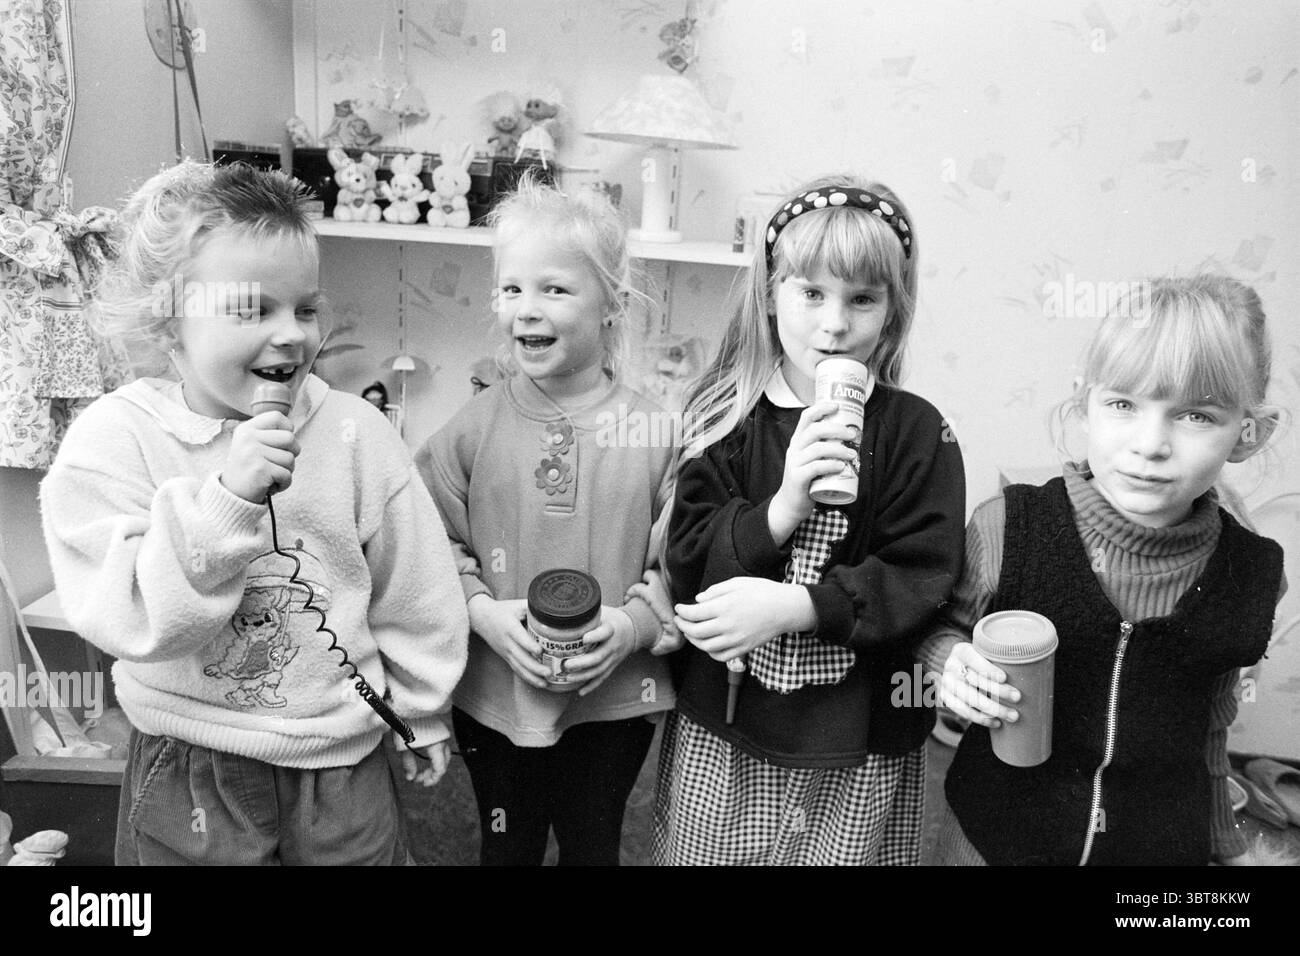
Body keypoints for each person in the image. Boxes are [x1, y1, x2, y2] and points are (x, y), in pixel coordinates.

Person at [40, 162, 468, 865]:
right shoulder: (112, 442)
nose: (292, 335)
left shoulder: (357, 432)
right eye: (252, 310)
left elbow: (412, 581)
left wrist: (422, 705)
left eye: (305, 308)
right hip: (189, 764)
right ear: (169, 319)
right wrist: (225, 506)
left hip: (340, 764)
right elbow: (132, 617)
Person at [920, 276, 1284, 866]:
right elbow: (938, 632)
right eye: (1123, 404)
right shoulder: (1006, 528)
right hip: (988, 843)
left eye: (1195, 415)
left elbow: (1211, 731)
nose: (1150, 443)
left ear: (1248, 434)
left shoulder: (1253, 572)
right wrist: (946, 663)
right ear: (1084, 403)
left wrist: (1228, 849)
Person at [656, 176, 965, 865]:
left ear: (893, 311)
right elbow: (686, 565)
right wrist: (783, 506)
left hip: (858, 739)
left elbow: (924, 575)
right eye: (811, 293)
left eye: (862, 298)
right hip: (730, 728)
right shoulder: (724, 416)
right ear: (771, 295)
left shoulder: (919, 432)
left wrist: (799, 606)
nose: (834, 323)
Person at [415, 174, 679, 866]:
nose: (526, 309)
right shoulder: (471, 429)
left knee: (593, 845)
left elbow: (680, 561)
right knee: (507, 846)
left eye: (554, 289)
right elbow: (426, 538)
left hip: (611, 700)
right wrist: (481, 612)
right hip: (495, 694)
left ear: (612, 305)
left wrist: (632, 627)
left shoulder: (657, 433)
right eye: (512, 289)